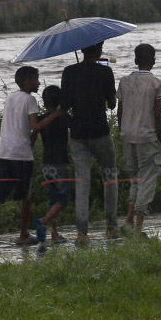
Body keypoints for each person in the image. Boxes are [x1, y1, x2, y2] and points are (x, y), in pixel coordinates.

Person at [0, 66, 63, 252]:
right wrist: (56, 114)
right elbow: (36, 125)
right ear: (27, 81)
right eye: (36, 79)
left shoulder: (10, 97)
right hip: (21, 155)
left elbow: (25, 125)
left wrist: (32, 139)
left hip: (3, 151)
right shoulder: (30, 100)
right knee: (26, 195)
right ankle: (23, 234)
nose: (39, 83)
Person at [61, 41, 119, 243]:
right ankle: (111, 227)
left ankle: (81, 233)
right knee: (110, 178)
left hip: (77, 134)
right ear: (99, 50)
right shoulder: (105, 72)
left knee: (82, 182)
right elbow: (111, 104)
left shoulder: (69, 72)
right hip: (101, 132)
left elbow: (65, 105)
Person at [117, 43, 161, 234]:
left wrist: (123, 131)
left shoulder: (124, 82)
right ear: (153, 61)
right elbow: (157, 115)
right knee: (147, 179)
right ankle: (138, 225)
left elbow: (120, 112)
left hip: (128, 136)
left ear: (135, 61)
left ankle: (128, 220)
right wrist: (160, 140)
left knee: (135, 178)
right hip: (147, 137)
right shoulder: (156, 84)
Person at [32, 84, 70, 245]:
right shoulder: (64, 117)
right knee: (63, 200)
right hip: (60, 162)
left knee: (53, 199)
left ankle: (55, 235)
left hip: (46, 163)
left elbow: (32, 140)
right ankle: (43, 221)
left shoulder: (40, 120)